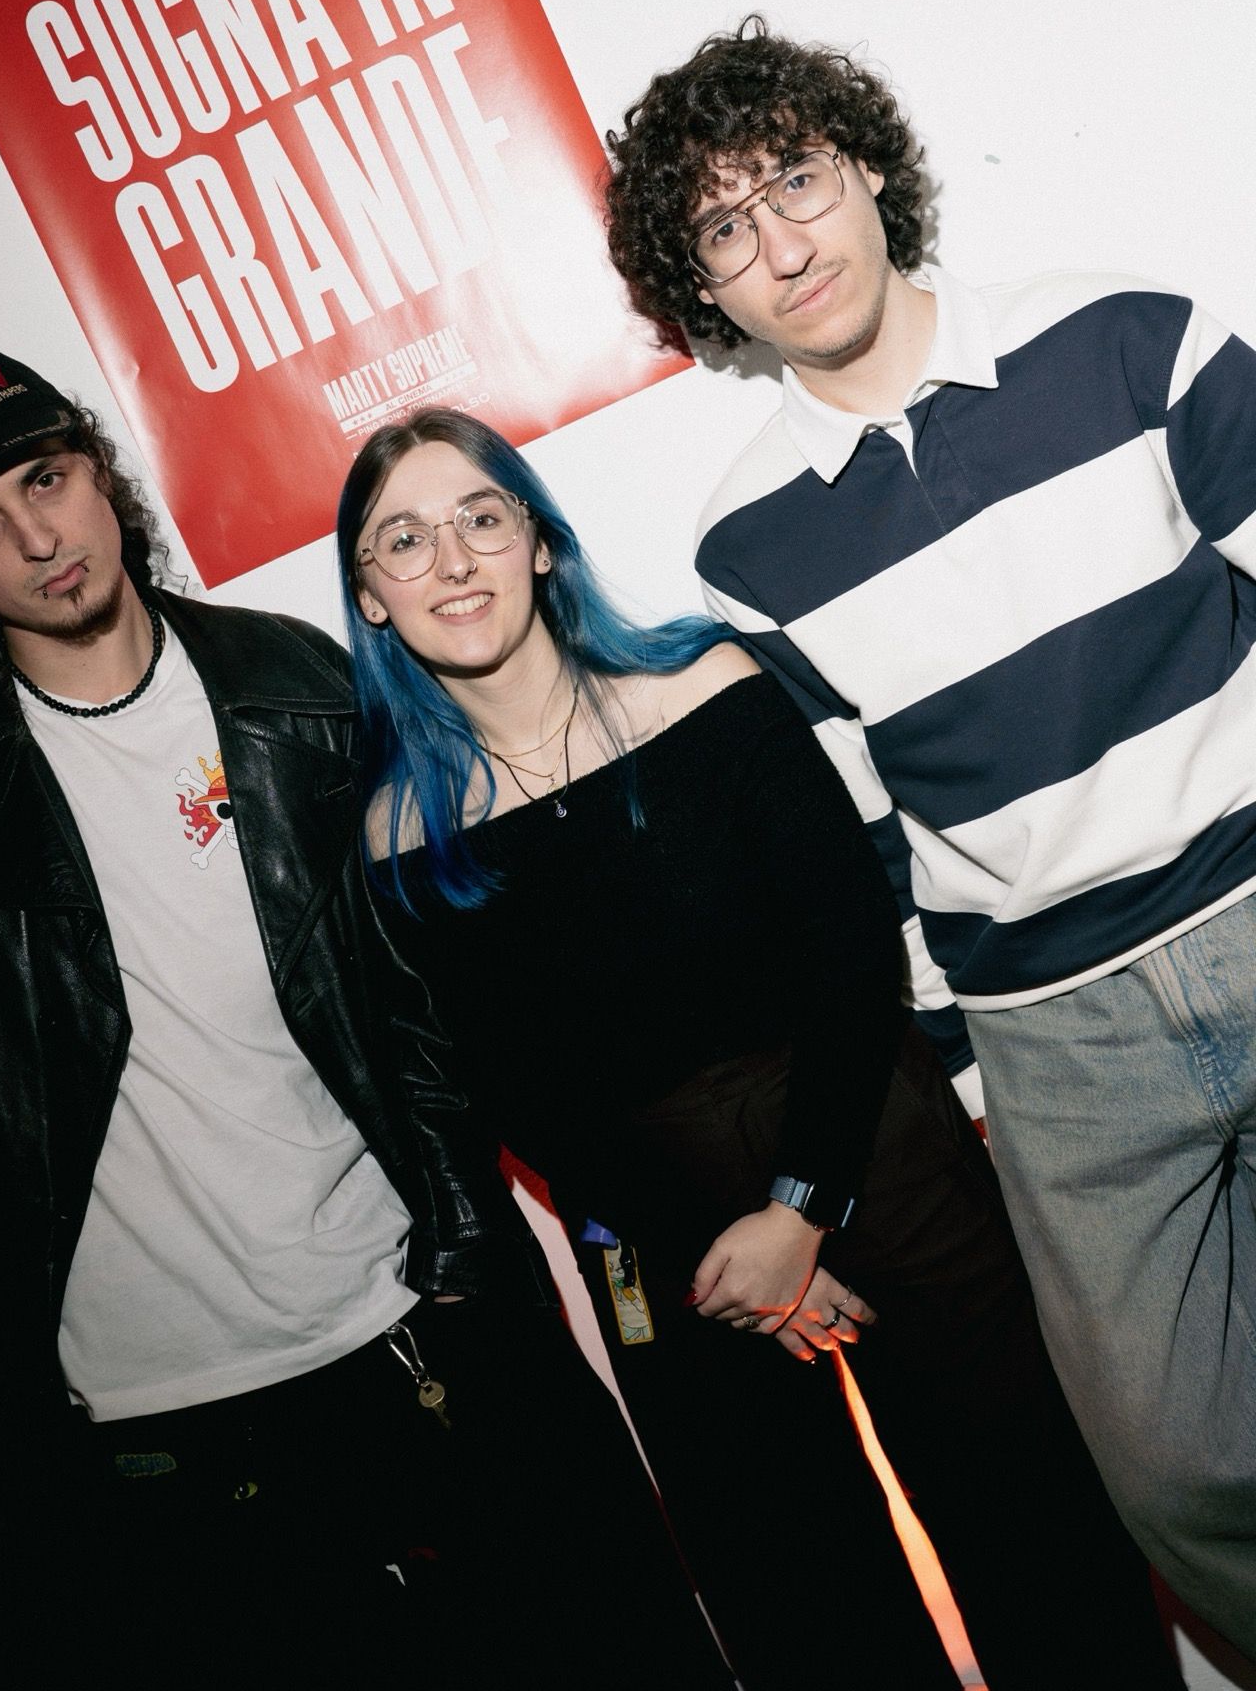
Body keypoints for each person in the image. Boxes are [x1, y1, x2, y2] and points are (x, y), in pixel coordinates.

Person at [0, 348, 726, 1689]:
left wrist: (465, 1240)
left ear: (100, 471)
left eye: (47, 478)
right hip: (156, 1420)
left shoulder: (292, 685)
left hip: (404, 1328)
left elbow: (432, 994)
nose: (37, 536)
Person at [336, 405, 1184, 1691]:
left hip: (865, 1142)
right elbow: (517, 1092)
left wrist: (800, 1208)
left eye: (480, 518)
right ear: (371, 594)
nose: (451, 560)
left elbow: (848, 951)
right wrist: (738, 1258)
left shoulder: (705, 685)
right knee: (800, 1597)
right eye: (404, 539)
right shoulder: (399, 831)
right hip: (660, 1234)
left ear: (540, 543)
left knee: (1038, 1534)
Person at [602, 17, 1256, 1660]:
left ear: (869, 171)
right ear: (703, 290)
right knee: (1175, 1470)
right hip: (1060, 1042)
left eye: (795, 180)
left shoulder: (1129, 337)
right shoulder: (746, 547)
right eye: (724, 228)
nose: (781, 243)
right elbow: (866, 841)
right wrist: (965, 1077)